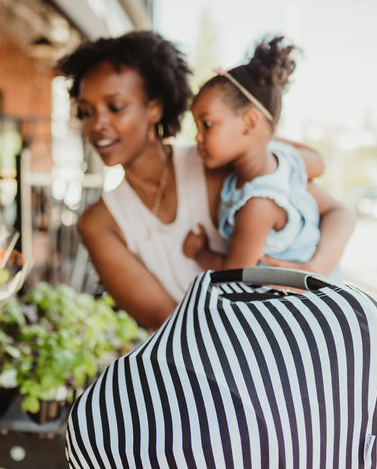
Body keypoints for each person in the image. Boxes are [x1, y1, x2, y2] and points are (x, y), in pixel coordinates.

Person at [56, 31, 355, 331]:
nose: (97, 124)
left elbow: (337, 212)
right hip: (209, 364)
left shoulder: (219, 162)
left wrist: (315, 272)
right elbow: (167, 322)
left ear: (154, 108)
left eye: (115, 107)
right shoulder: (99, 223)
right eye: (86, 112)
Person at [183, 36, 323, 273]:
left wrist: (199, 253)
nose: (197, 137)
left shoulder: (259, 203)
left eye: (207, 124)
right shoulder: (283, 160)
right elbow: (318, 162)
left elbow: (236, 271)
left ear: (249, 123)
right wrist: (265, 136)